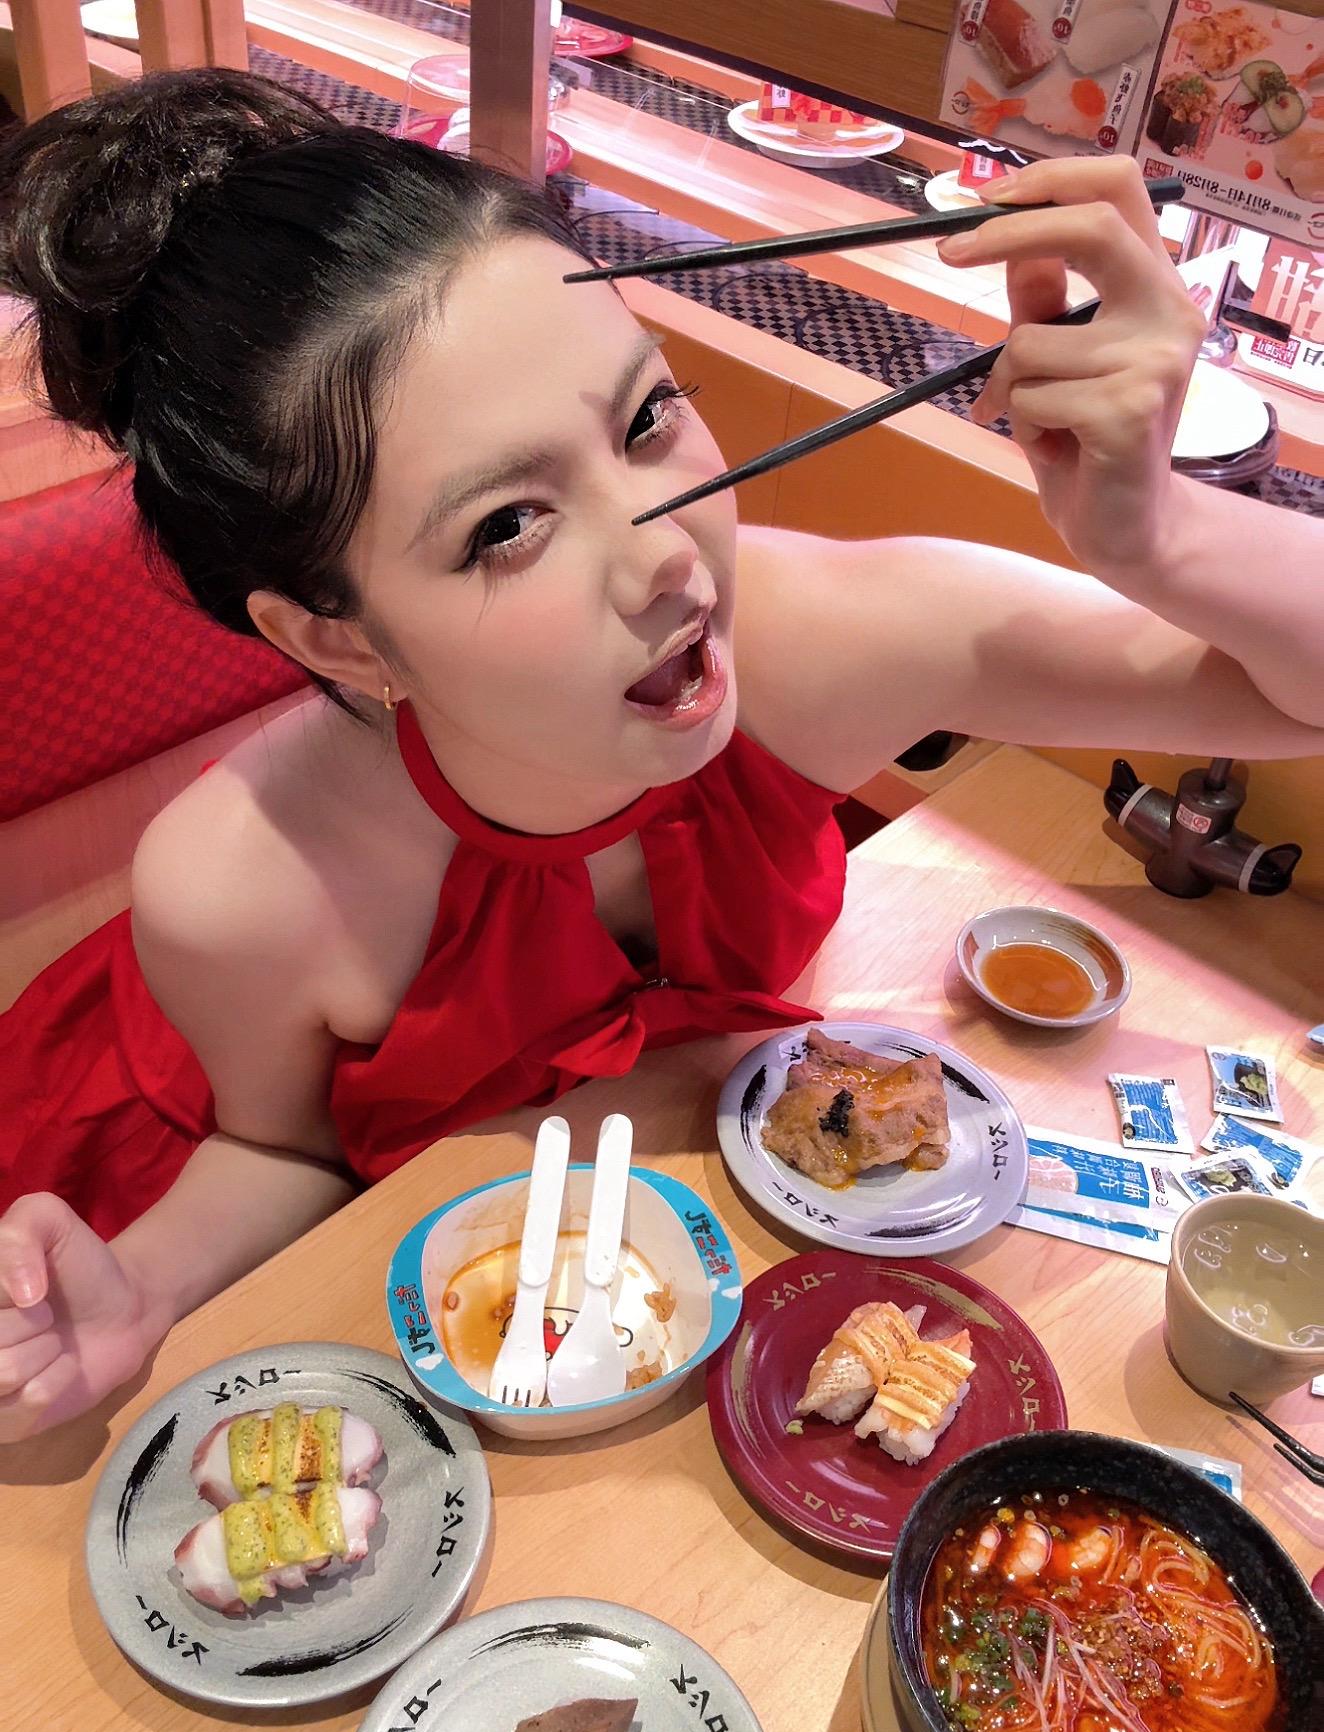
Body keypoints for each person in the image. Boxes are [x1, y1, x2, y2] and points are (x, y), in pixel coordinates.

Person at [0, 71, 1319, 1443]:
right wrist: (140, 1285)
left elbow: (1296, 701)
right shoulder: (241, 884)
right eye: (506, 527)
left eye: (644, 421)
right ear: (336, 639)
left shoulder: (821, 641)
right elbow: (280, 1148)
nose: (667, 557)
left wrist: (1164, 534)